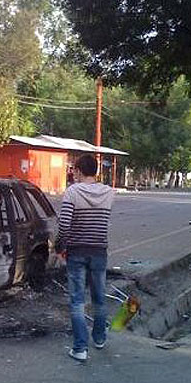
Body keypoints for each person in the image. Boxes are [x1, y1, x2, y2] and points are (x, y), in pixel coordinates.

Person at [55, 154, 115, 362]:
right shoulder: (109, 192)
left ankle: (80, 348)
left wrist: (59, 246)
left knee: (77, 300)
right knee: (99, 296)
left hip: (77, 252)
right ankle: (99, 338)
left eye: (74, 170)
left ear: (79, 170)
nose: (73, 173)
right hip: (99, 251)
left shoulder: (72, 192)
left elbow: (64, 225)